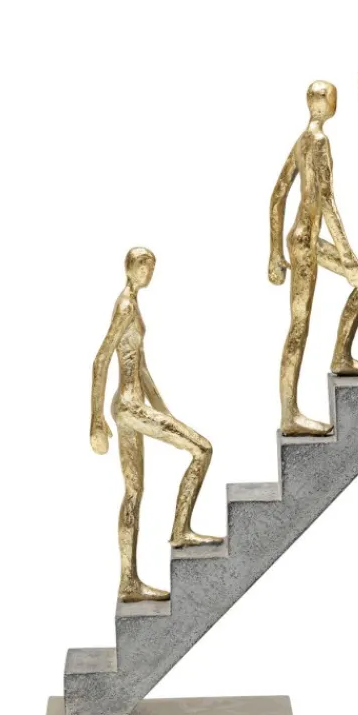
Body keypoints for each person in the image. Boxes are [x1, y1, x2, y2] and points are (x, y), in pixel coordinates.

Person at [90, 248, 221, 603]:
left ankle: (128, 582)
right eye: (143, 267)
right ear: (130, 269)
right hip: (129, 407)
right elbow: (101, 359)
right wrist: (95, 419)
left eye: (151, 267)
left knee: (133, 492)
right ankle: (181, 530)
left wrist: (165, 412)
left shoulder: (132, 303)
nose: (149, 272)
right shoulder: (125, 306)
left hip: (130, 405)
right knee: (202, 450)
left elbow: (142, 368)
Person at [270, 81, 358, 438]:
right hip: (307, 242)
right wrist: (346, 254)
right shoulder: (317, 142)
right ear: (326, 103)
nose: (335, 101)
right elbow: (327, 200)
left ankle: (341, 358)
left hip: (303, 239)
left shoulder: (302, 140)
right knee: (301, 324)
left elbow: (277, 195)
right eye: (333, 96)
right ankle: (290, 414)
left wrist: (275, 251)